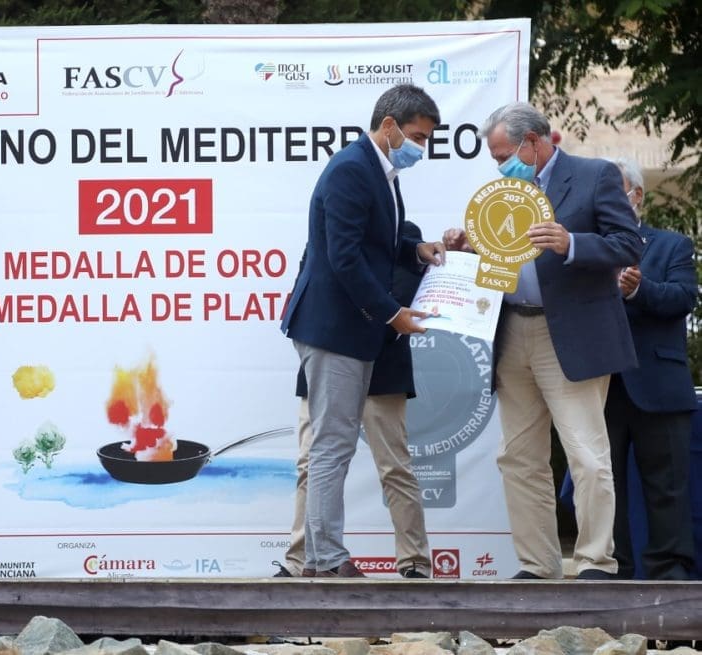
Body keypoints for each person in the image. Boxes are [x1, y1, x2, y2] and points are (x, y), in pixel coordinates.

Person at [445, 102, 642, 580]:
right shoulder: (501, 193)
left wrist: (571, 243)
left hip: (570, 334)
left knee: (587, 455)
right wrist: (469, 247)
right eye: (495, 159)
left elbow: (628, 243)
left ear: (533, 142)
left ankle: (595, 562)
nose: (499, 166)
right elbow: (500, 256)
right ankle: (537, 566)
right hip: (511, 329)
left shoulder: (594, 176)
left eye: (503, 155)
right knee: (518, 457)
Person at [280, 84, 446, 578]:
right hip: (335, 329)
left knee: (332, 446)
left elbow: (377, 242)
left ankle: (319, 560)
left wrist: (415, 250)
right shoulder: (352, 169)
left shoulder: (380, 171)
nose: (422, 148)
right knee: (331, 446)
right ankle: (328, 560)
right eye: (418, 136)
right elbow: (345, 258)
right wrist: (393, 314)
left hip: (350, 330)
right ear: (389, 125)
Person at [275, 220, 432, 579]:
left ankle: (414, 563)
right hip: (323, 366)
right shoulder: (325, 232)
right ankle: (299, 562)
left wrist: (353, 318)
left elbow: (400, 299)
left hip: (381, 367)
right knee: (310, 465)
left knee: (394, 468)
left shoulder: (403, 235)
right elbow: (307, 292)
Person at [605, 156, 697, 580]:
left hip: (658, 383)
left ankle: (671, 574)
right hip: (600, 383)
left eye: (613, 191)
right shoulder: (586, 246)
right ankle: (610, 571)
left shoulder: (671, 245)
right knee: (603, 487)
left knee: (667, 486)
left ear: (636, 195)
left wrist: (639, 289)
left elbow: (683, 298)